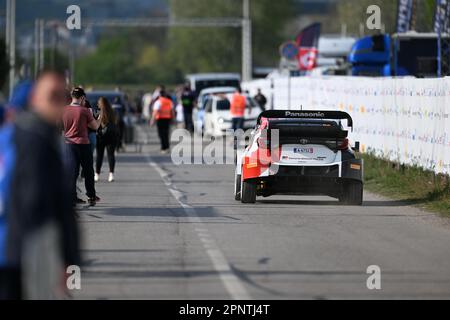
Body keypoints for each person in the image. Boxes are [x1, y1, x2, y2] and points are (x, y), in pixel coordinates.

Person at [0, 71, 80, 299]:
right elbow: (51, 202)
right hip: (23, 248)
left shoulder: (9, 138)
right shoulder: (39, 142)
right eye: (53, 97)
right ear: (34, 102)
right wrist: (68, 257)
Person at [63, 87, 100, 206]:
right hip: (83, 144)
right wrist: (100, 117)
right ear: (82, 97)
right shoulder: (84, 111)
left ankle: (71, 196)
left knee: (72, 171)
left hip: (69, 144)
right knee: (88, 171)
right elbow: (95, 127)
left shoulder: (64, 110)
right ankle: (91, 195)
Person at [95, 97, 118, 183]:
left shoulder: (98, 111)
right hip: (111, 136)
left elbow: (94, 123)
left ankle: (97, 174)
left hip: (100, 136)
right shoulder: (112, 111)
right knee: (111, 155)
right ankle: (111, 174)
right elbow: (116, 122)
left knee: (99, 155)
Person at [150, 89, 174, 154]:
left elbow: (155, 112)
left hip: (160, 119)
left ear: (160, 95)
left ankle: (163, 148)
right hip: (167, 119)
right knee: (166, 134)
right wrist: (173, 119)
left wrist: (152, 120)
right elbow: (172, 111)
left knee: (161, 134)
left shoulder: (158, 102)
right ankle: (167, 147)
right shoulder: (169, 101)